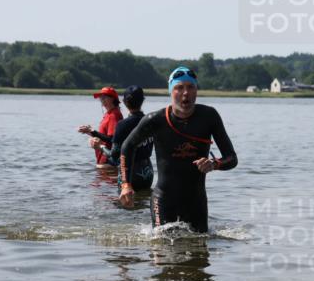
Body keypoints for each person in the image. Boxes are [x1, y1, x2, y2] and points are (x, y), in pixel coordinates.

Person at [118, 66, 237, 232]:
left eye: (190, 87)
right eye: (179, 88)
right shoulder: (155, 120)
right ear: (171, 92)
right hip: (163, 199)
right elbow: (127, 146)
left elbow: (232, 158)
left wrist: (213, 164)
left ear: (196, 91)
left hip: (196, 202)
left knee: (200, 248)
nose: (185, 93)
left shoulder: (209, 117)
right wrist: (126, 185)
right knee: (161, 251)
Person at [103, 85, 155, 191]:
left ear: (124, 102)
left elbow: (114, 155)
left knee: (124, 205)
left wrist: (100, 147)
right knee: (143, 202)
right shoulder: (150, 121)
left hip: (129, 174)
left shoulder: (122, 125)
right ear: (143, 100)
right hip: (148, 172)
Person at [78, 87, 123, 169]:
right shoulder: (109, 114)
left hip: (109, 163)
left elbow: (112, 139)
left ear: (113, 99)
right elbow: (103, 136)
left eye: (104, 97)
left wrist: (93, 131)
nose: (102, 100)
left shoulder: (114, 115)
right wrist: (90, 132)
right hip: (103, 161)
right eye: (101, 98)